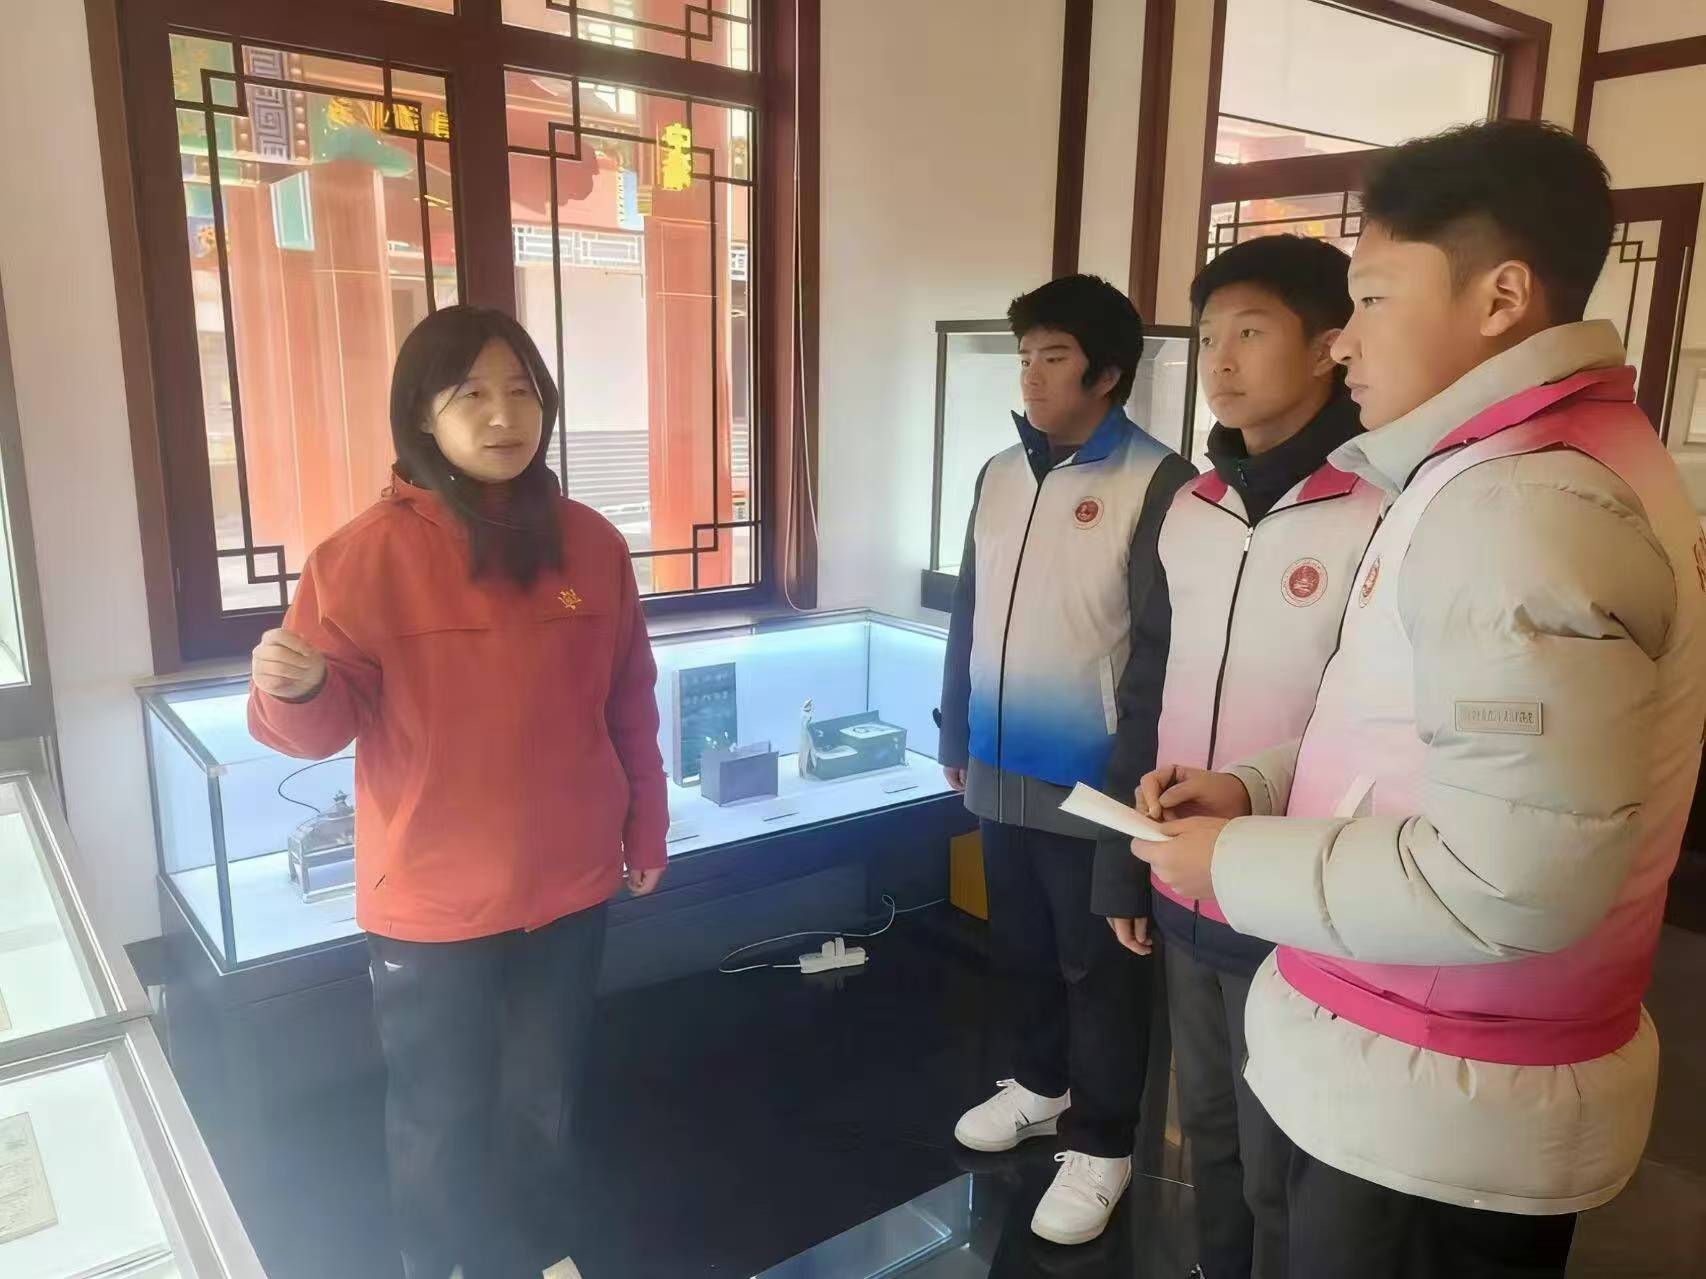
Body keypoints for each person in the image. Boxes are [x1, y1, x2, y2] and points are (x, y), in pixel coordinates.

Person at [1137, 119, 1706, 1278]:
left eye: (1372, 297)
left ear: (1499, 298)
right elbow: (1408, 738)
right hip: (1418, 1072)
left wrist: (1230, 862)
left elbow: (1509, 879)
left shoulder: (1521, 504)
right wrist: (1254, 786)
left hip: (1438, 1097)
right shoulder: (1513, 463)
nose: (1345, 338)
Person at [248, 306, 668, 1279]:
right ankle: (437, 1260)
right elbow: (318, 726)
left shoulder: (591, 544)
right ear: (421, 416)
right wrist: (295, 689)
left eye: (521, 391)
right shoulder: (358, 557)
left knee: (543, 1095)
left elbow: (629, 699)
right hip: (431, 899)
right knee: (436, 1107)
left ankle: (538, 1251)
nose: (502, 416)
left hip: (567, 883)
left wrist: (645, 824)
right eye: (470, 393)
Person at [1095, 234, 1379, 1279]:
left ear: (1327, 347)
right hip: (1182, 875)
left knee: (1281, 1154)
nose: (1220, 359)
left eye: (1251, 332)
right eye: (1210, 334)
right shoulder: (1191, 508)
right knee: (1206, 1130)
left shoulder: (1376, 506)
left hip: (1303, 893)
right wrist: (1122, 859)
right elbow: (1147, 686)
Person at [938, 274, 1194, 1246]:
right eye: (1025, 357)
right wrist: (956, 732)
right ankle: (1040, 1085)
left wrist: (1135, 784)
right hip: (1000, 762)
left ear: (1107, 373)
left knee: (1101, 967)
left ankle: (1104, 1141)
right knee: (1020, 946)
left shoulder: (1157, 482)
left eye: (1054, 356)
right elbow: (969, 609)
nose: (1032, 375)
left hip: (1096, 778)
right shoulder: (999, 472)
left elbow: (1158, 654)